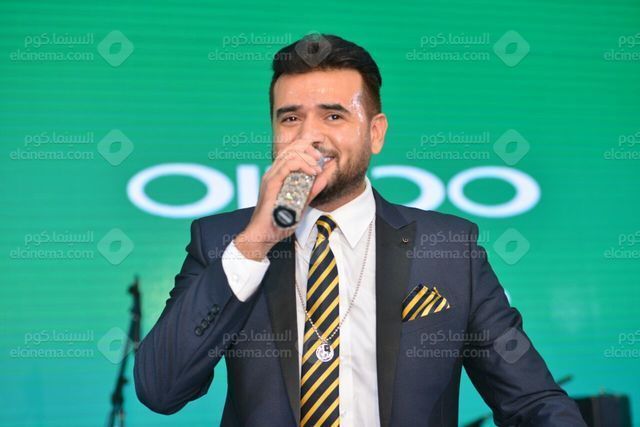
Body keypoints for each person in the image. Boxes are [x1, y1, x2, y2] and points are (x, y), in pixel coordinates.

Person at [134, 34, 586, 426]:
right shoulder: (223, 241)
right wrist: (256, 241)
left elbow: (532, 401)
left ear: (375, 133)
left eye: (333, 116)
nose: (309, 136)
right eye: (290, 118)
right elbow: (160, 389)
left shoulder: (449, 249)